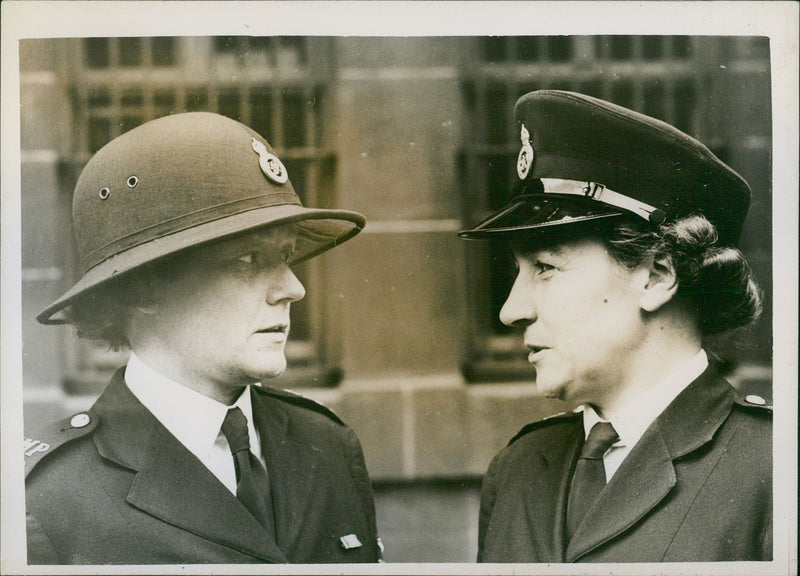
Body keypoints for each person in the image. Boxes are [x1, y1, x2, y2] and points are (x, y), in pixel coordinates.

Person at [24, 112, 382, 564]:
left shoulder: (326, 445)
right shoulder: (49, 499)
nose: (294, 288)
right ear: (146, 286)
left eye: (288, 255)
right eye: (249, 260)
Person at [459, 90, 771, 563]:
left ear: (657, 276)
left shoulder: (774, 467)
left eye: (545, 268)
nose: (510, 310)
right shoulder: (518, 468)